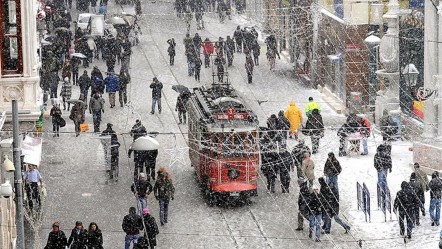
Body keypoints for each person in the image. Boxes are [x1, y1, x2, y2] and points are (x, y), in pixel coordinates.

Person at [374, 143, 392, 210]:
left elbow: (375, 163)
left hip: (381, 169)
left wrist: (378, 167)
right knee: (384, 179)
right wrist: (389, 167)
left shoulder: (377, 155)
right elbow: (390, 161)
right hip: (385, 168)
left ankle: (381, 190)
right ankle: (383, 190)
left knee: (380, 180)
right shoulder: (386, 154)